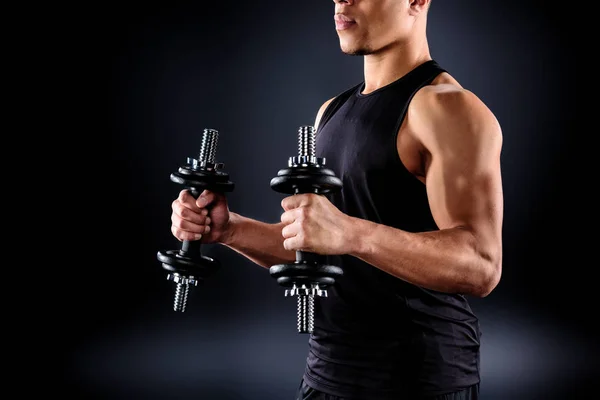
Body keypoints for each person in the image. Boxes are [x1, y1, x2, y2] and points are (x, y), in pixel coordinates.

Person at [169, 0, 503, 398]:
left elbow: (482, 264)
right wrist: (228, 230)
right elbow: (319, 245)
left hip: (418, 380)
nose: (341, 1)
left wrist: (350, 232)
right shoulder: (331, 112)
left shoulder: (447, 107)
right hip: (328, 375)